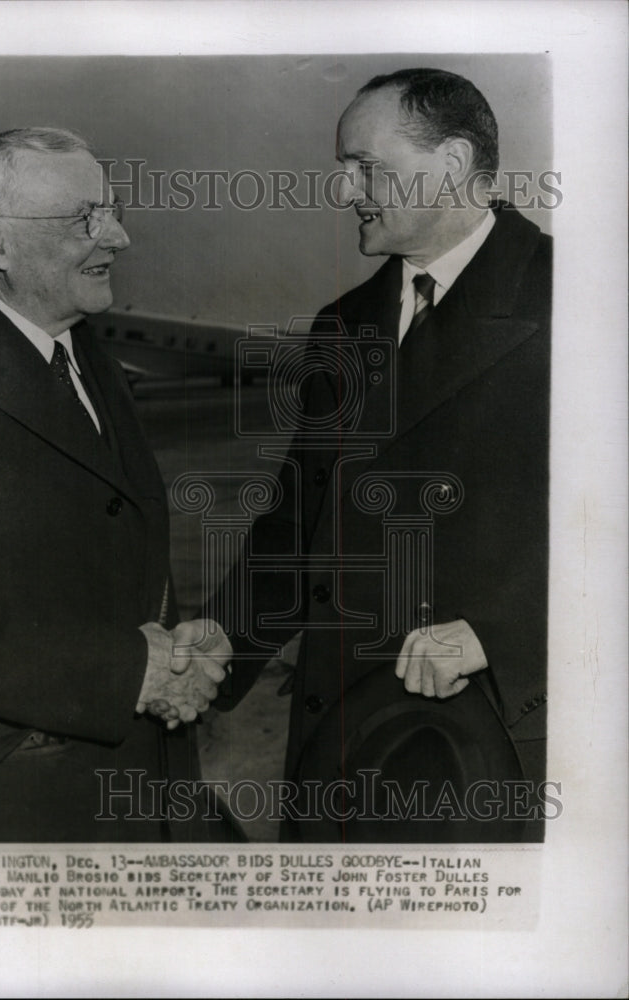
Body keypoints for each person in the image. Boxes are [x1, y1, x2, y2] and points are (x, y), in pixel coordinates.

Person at [207, 68, 551, 841]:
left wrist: (498, 631)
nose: (346, 191)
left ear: (454, 165)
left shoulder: (582, 301)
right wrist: (213, 653)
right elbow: (297, 530)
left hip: (489, 748)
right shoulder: (345, 323)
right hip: (339, 749)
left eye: (368, 167)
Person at [0, 127, 232, 843]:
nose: (120, 238)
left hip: (135, 782)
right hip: (7, 808)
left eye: (112, 210)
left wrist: (171, 640)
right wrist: (131, 672)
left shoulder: (78, 343)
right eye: (87, 218)